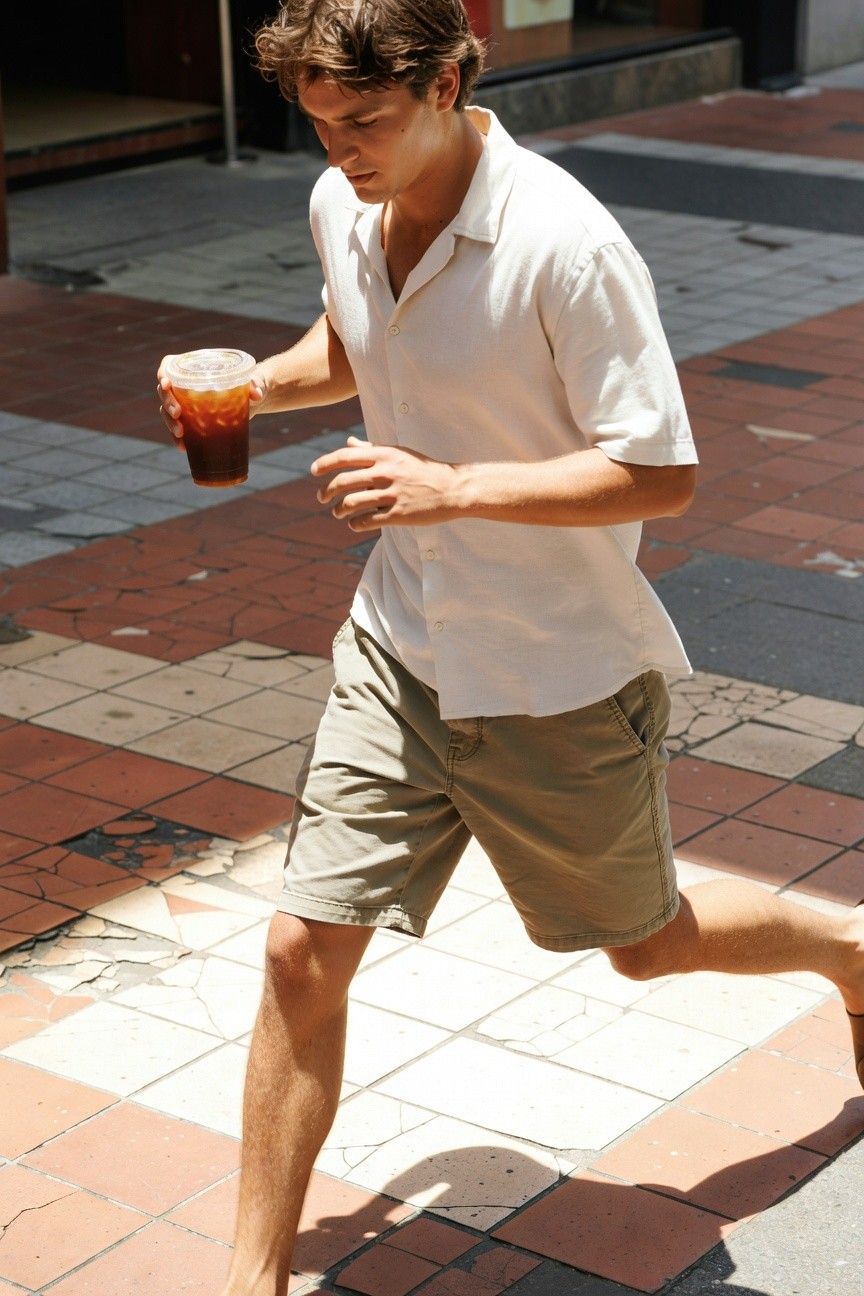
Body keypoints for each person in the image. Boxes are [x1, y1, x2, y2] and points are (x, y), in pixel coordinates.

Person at [157, 3, 864, 1291]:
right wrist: (253, 383)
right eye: (317, 126)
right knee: (297, 951)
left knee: (642, 942)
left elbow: (660, 471)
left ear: (445, 80)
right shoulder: (344, 204)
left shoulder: (565, 243)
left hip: (557, 668)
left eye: (363, 121)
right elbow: (353, 338)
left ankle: (853, 954)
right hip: (401, 642)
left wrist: (451, 486)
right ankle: (249, 1278)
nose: (341, 152)